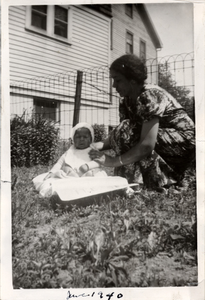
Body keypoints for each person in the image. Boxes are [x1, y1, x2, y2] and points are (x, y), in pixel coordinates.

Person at [89, 54, 195, 192]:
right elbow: (121, 134)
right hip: (162, 140)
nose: (114, 85)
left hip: (184, 143)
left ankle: (161, 182)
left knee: (128, 130)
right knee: (126, 130)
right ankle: (132, 182)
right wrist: (96, 146)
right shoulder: (126, 101)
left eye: (118, 80)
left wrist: (112, 161)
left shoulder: (150, 95)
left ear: (132, 80)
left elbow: (146, 145)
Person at [33, 122, 107, 197]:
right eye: (78, 137)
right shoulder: (70, 151)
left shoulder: (92, 150)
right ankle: (54, 190)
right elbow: (59, 163)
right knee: (58, 175)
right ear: (73, 139)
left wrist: (88, 166)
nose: (81, 139)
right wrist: (52, 172)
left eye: (85, 137)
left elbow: (98, 161)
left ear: (91, 139)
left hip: (87, 174)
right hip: (70, 177)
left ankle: (91, 189)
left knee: (98, 175)